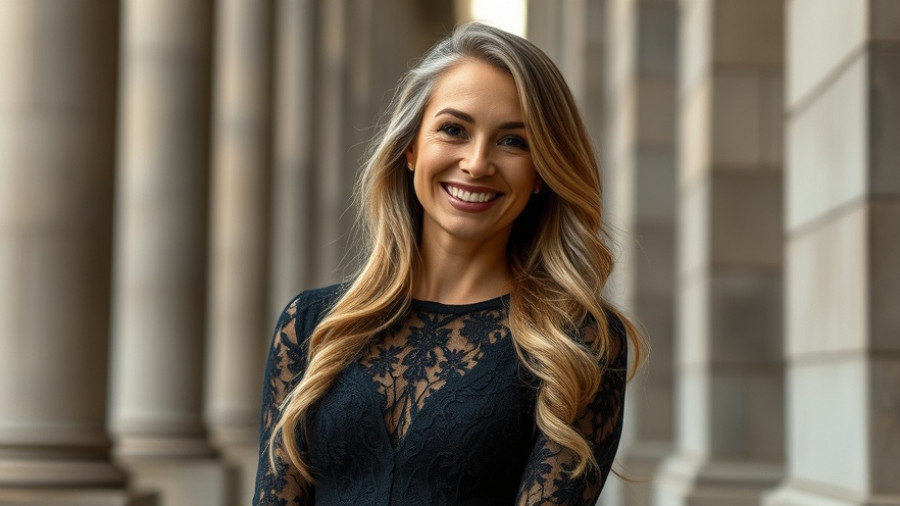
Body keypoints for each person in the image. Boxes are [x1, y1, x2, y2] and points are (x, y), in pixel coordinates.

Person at [253, 22, 645, 506]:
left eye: (513, 142)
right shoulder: (311, 326)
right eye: (453, 130)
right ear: (412, 147)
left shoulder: (576, 343)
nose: (477, 163)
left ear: (543, 171)